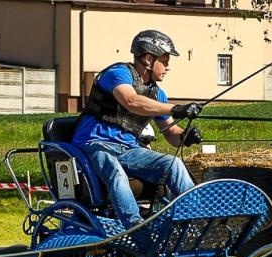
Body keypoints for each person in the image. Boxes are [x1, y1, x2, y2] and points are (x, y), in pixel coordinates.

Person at [72, 29, 202, 228]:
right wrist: (176, 108)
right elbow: (131, 101)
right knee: (115, 171)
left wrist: (185, 136)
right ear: (149, 59)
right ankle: (135, 226)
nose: (168, 68)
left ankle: (197, 220)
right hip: (93, 144)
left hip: (129, 150)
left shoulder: (157, 94)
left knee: (173, 164)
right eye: (165, 61)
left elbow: (170, 132)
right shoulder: (117, 73)